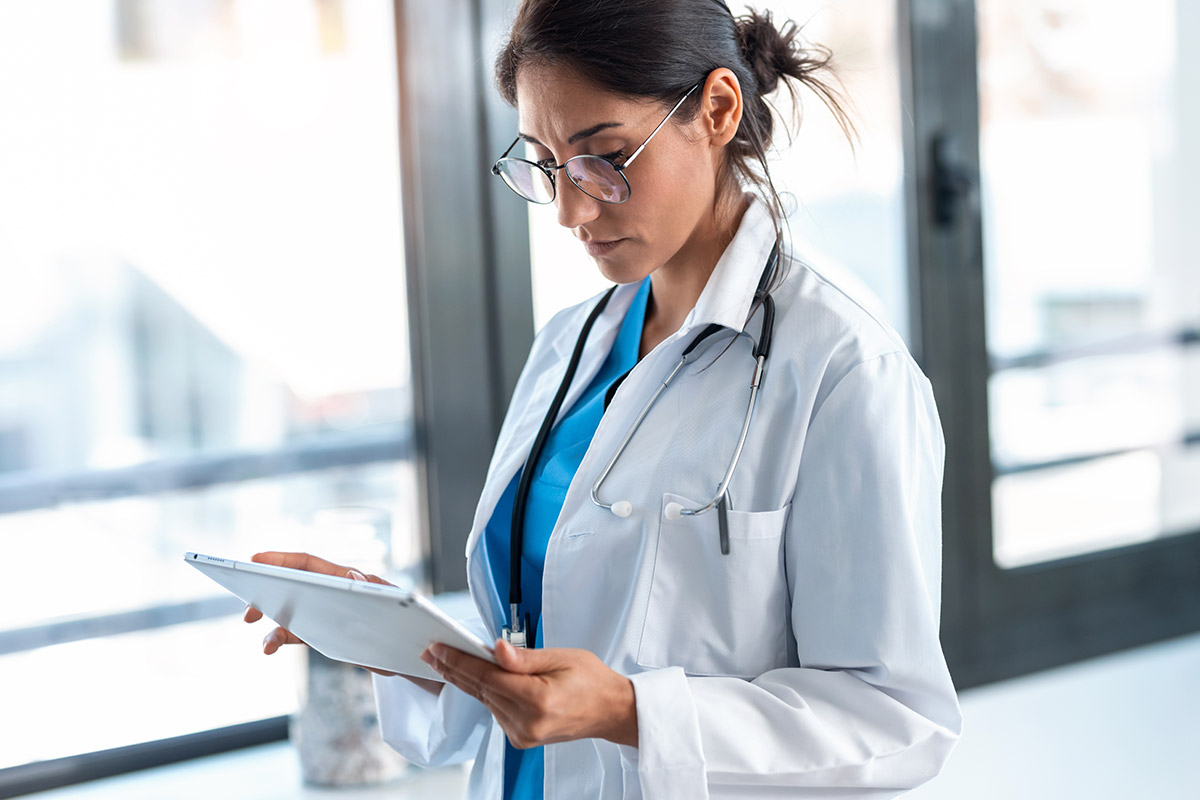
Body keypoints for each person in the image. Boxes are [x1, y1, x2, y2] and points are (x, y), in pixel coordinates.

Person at [245, 1, 963, 797]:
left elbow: (895, 720)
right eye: (547, 165)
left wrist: (629, 712)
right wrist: (392, 633)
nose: (570, 211)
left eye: (604, 158)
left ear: (717, 110)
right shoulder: (571, 346)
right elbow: (544, 629)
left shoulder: (842, 369)